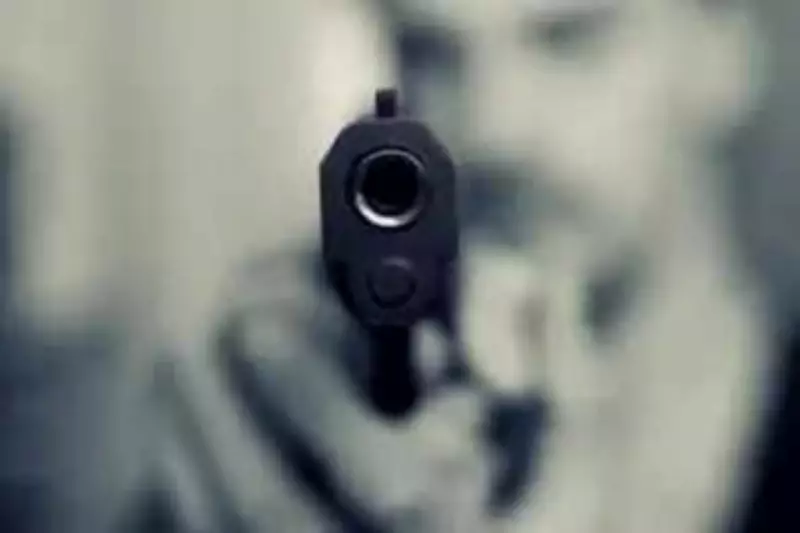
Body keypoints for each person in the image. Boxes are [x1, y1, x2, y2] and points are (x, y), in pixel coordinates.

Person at [131, 1, 798, 532]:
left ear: (726, 44)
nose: (490, 127)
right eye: (430, 53)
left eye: (569, 38)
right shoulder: (300, 438)